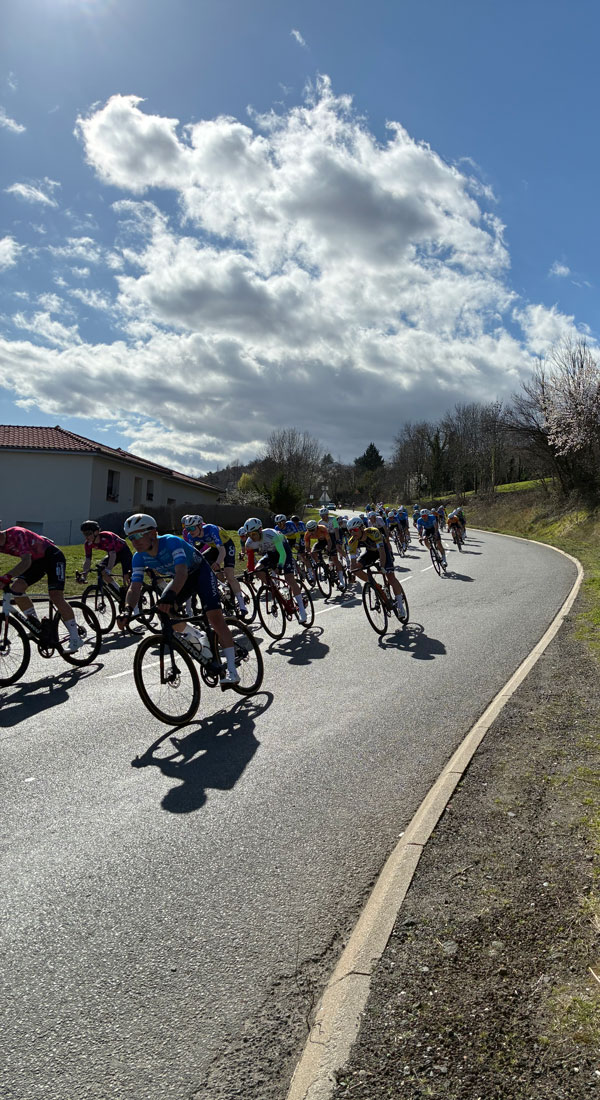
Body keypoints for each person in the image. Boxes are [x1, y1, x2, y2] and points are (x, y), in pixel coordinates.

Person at [117, 513, 240, 686]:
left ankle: (232, 671)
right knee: (165, 612)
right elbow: (135, 587)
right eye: (130, 537)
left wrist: (168, 596)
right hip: (181, 579)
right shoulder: (138, 557)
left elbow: (182, 572)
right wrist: (127, 609)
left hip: (200, 573)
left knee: (215, 618)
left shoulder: (170, 542)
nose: (134, 541)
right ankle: (198, 635)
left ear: (153, 533)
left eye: (138, 535)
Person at [0, 525, 83, 650]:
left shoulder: (16, 534)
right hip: (37, 561)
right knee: (17, 589)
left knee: (56, 596)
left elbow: (26, 561)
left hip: (52, 556)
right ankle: (35, 626)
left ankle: (76, 638)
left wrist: (7, 576)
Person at [181, 515, 248, 617]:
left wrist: (217, 563)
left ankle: (242, 605)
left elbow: (222, 551)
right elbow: (192, 555)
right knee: (200, 564)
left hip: (226, 546)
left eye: (192, 528)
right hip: (214, 548)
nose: (190, 531)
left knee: (229, 574)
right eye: (187, 529)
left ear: (200, 526)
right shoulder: (191, 536)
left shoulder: (211, 529)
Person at [243, 517, 307, 623]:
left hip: (283, 551)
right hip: (271, 553)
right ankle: (274, 588)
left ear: (260, 530)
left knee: (289, 578)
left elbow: (282, 553)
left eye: (254, 534)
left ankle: (301, 609)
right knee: (257, 570)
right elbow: (250, 561)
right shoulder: (249, 543)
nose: (252, 537)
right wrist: (250, 572)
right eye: (249, 535)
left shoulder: (270, 534)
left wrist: (280, 566)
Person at [346, 516, 406, 616]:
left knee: (390, 576)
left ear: (362, 528)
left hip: (382, 551)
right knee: (355, 569)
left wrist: (382, 567)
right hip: (370, 553)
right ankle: (375, 585)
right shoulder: (352, 541)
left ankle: (400, 605)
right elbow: (353, 562)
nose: (353, 533)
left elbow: (382, 552)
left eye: (355, 530)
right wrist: (353, 573)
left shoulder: (373, 532)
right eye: (350, 531)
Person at [78, 520, 133, 588]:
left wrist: (109, 569)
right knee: (101, 570)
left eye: (88, 533)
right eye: (84, 534)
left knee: (126, 576)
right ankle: (117, 589)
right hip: (112, 553)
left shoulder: (107, 537)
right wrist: (84, 576)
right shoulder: (88, 544)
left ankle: (133, 592)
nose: (86, 537)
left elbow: (112, 554)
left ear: (96, 532)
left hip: (124, 552)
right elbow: (88, 560)